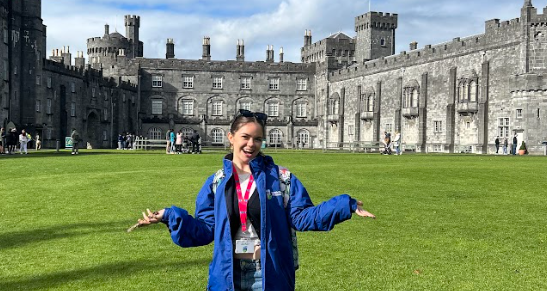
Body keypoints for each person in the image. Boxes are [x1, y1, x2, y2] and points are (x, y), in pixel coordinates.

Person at [132, 109, 375, 291]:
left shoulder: (282, 178)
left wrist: (344, 205)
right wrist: (170, 216)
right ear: (231, 137)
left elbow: (301, 217)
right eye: (246, 137)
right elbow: (206, 229)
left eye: (258, 139)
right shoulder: (216, 183)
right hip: (228, 274)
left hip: (269, 274)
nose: (251, 144)